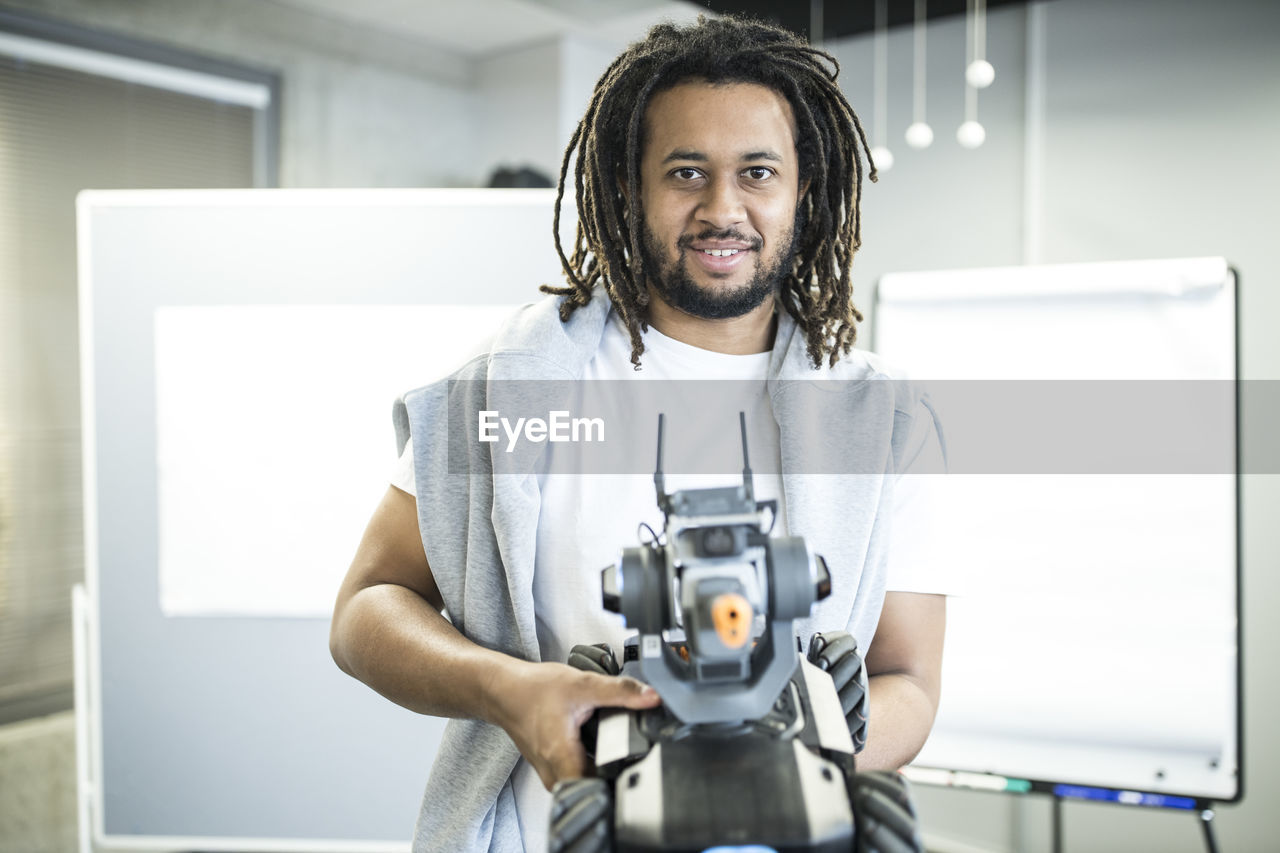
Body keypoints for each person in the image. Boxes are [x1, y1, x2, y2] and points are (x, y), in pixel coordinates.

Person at [330, 14, 946, 853]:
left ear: (804, 188)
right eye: (686, 171)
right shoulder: (507, 387)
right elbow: (366, 610)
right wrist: (511, 689)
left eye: (757, 172)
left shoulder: (887, 421)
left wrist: (804, 765)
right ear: (630, 185)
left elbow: (906, 677)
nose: (722, 208)